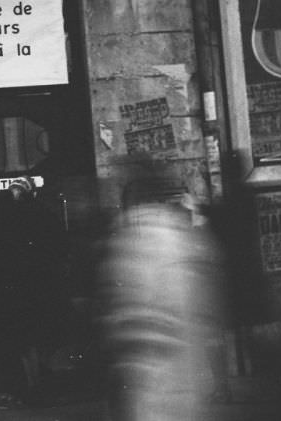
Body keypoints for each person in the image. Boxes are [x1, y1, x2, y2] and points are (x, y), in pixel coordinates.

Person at [98, 177, 227, 421]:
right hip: (179, 360)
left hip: (149, 361)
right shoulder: (186, 238)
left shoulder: (129, 241)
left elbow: (124, 307)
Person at [0, 176, 66, 403]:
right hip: (43, 281)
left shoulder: (6, 217)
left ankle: (33, 382)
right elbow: (59, 246)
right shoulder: (45, 214)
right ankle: (42, 372)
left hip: (19, 283)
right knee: (44, 331)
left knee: (25, 335)